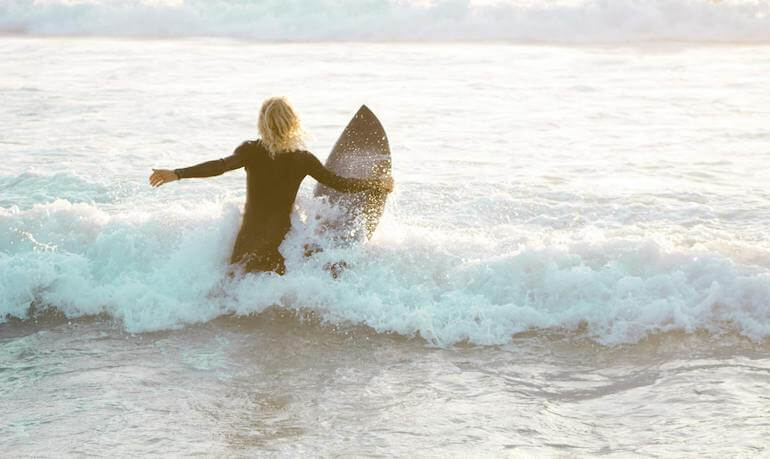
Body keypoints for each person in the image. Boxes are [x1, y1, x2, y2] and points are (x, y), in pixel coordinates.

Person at [149, 97, 393, 275]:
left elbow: (218, 166)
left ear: (263, 123)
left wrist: (176, 174)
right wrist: (377, 184)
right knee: (276, 299)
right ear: (294, 123)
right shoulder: (302, 159)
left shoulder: (250, 151)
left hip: (249, 240)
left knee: (237, 291)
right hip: (281, 242)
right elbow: (338, 183)